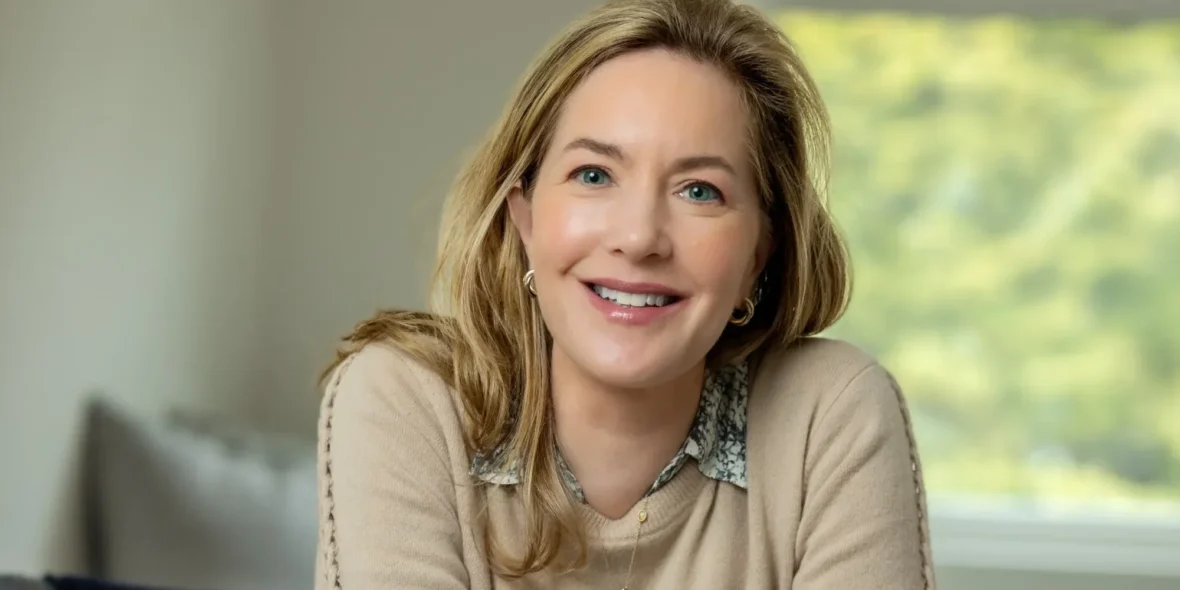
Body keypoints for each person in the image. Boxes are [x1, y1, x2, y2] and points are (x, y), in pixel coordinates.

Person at [314, 0, 935, 588]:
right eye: (594, 175)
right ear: (524, 221)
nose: (639, 238)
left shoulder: (828, 416)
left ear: (758, 257)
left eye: (700, 190)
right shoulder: (409, 403)